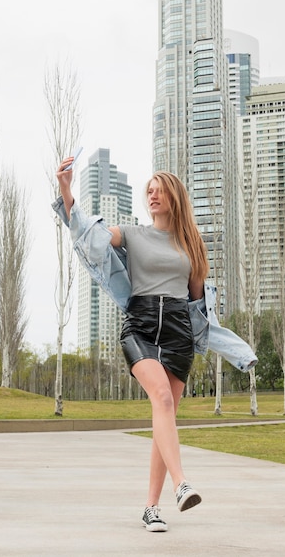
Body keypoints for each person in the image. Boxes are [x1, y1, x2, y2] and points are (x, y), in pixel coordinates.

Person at [56, 158, 210, 533]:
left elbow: (196, 300)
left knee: (165, 412)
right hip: (139, 327)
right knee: (162, 397)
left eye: (159, 190)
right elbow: (89, 234)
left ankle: (150, 509)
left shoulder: (191, 245)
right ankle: (182, 483)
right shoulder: (132, 233)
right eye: (150, 191)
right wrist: (66, 191)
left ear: (175, 197)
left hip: (177, 331)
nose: (153, 195)